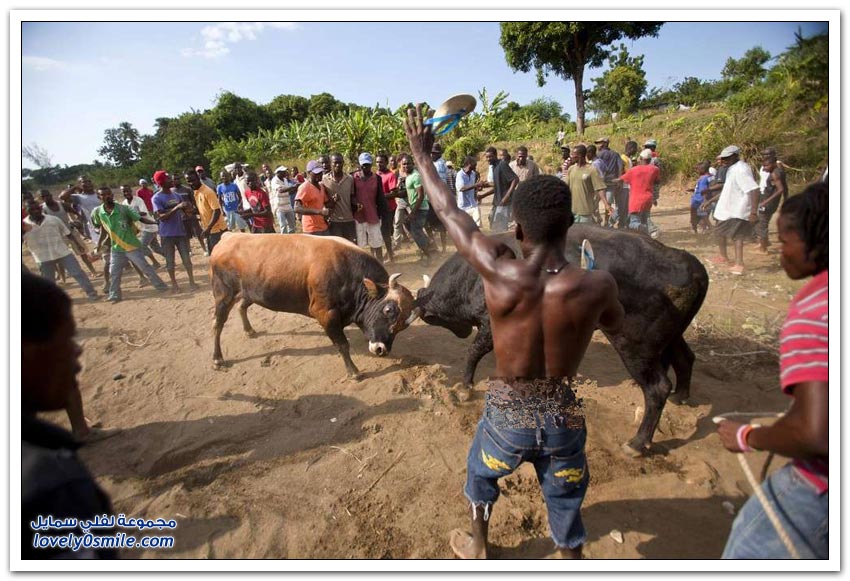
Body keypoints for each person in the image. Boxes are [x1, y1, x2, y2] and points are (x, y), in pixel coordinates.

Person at [404, 104, 624, 560]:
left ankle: (480, 545)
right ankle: (571, 555)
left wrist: (423, 158)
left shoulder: (499, 272)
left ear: (518, 228)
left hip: (509, 412)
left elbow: (450, 212)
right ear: (570, 225)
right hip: (562, 410)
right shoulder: (597, 285)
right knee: (565, 492)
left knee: (480, 474)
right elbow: (616, 323)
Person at [716, 182, 828, 559]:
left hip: (820, 488)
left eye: (784, 242)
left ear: (817, 241)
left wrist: (748, 435)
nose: (780, 253)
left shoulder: (813, 313)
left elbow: (816, 433)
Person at [22, 273, 117, 559]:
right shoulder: (52, 486)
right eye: (66, 339)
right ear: (26, 354)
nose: (77, 350)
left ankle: (81, 429)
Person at [92, 185, 169, 302]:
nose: (106, 196)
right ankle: (114, 295)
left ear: (112, 195)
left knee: (145, 268)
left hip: (132, 246)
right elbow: (103, 228)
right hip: (116, 248)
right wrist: (99, 244)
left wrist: (155, 222)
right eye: (103, 195)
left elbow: (140, 218)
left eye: (108, 194)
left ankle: (161, 286)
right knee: (114, 272)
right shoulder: (98, 212)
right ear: (99, 197)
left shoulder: (123, 209)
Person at [23, 199, 99, 301]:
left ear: (40, 208)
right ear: (26, 210)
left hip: (62, 252)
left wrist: (77, 244)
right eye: (32, 209)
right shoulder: (23, 225)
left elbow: (68, 233)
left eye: (37, 208)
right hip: (42, 257)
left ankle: (92, 293)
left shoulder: (53, 220)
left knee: (77, 273)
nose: (35, 211)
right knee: (48, 281)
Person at [705, 145, 760, 276]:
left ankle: (739, 264)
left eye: (726, 158)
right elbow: (728, 189)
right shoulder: (732, 169)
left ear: (735, 156)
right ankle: (724, 257)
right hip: (727, 208)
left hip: (738, 209)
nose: (723, 161)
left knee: (737, 236)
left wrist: (753, 212)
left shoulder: (741, 170)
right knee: (720, 232)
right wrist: (710, 200)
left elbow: (754, 189)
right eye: (723, 158)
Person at [151, 171, 197, 293]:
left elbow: (186, 212)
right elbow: (161, 217)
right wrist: (177, 207)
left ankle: (192, 281)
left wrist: (189, 209)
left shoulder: (176, 195)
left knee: (187, 260)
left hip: (180, 232)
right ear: (161, 182)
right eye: (167, 179)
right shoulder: (156, 198)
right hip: (167, 234)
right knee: (170, 262)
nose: (171, 181)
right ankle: (174, 284)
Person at [40, 190, 99, 277]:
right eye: (43, 197)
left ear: (51, 195)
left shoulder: (61, 205)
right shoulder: (43, 209)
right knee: (61, 257)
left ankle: (93, 272)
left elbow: (77, 213)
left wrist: (77, 222)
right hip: (58, 236)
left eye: (47, 195)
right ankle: (63, 279)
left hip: (71, 231)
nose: (46, 198)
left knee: (82, 253)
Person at [352, 153, 387, 262]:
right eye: (363, 165)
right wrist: (355, 204)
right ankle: (361, 265)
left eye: (367, 165)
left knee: (376, 241)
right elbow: (351, 195)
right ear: (360, 164)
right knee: (360, 244)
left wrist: (382, 214)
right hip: (358, 216)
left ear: (371, 164)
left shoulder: (377, 178)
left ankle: (380, 263)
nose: (365, 167)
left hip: (372, 214)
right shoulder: (353, 177)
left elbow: (380, 197)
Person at [562, 144, 609, 225]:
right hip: (572, 211)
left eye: (573, 154)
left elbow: (600, 188)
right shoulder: (571, 169)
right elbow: (565, 187)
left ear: (580, 156)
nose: (571, 156)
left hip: (585, 213)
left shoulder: (591, 170)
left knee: (585, 233)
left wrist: (606, 204)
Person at [476, 146, 519, 234]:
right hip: (497, 202)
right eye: (487, 157)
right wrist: (483, 195)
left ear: (495, 155)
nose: (488, 159)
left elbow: (515, 179)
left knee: (499, 227)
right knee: (492, 222)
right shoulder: (494, 167)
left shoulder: (502, 165)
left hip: (504, 203)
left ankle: (503, 241)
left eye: (490, 157)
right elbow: (497, 187)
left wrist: (506, 196)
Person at [618, 149, 660, 235]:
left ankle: (647, 228)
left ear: (640, 158)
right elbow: (657, 183)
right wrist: (655, 198)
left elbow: (621, 179)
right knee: (645, 219)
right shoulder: (655, 169)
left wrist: (610, 181)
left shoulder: (634, 170)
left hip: (635, 201)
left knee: (633, 223)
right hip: (648, 199)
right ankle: (649, 233)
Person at [185, 169, 228, 254]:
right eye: (189, 181)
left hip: (217, 230)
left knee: (220, 256)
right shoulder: (196, 192)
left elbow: (216, 211)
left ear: (198, 178)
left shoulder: (207, 192)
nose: (191, 183)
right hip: (209, 230)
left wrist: (208, 228)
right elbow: (204, 210)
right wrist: (189, 211)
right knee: (214, 256)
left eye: (193, 180)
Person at [120, 185, 163, 268]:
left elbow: (144, 213)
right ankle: (169, 258)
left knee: (142, 246)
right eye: (124, 192)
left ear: (131, 191)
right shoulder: (124, 203)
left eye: (128, 191)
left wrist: (131, 215)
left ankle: (156, 263)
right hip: (142, 228)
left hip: (149, 226)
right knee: (156, 248)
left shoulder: (138, 200)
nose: (126, 193)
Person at [401, 154, 431, 263]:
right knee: (409, 225)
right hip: (416, 208)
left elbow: (420, 195)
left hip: (420, 209)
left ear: (413, 164)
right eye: (404, 164)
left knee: (416, 231)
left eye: (408, 163)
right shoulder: (409, 176)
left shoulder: (416, 176)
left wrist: (413, 212)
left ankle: (428, 256)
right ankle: (427, 245)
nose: (406, 166)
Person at [756, 148, 788, 253]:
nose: (765, 168)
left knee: (762, 222)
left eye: (767, 154)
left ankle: (763, 248)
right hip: (765, 195)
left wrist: (765, 201)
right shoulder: (769, 167)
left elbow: (782, 187)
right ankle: (763, 243)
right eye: (763, 154)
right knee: (762, 221)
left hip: (768, 199)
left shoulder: (776, 170)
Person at [323, 153, 357, 243]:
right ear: (330, 163)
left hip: (349, 219)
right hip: (333, 221)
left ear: (343, 163)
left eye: (340, 162)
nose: (338, 165)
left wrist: (357, 205)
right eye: (335, 162)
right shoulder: (324, 179)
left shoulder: (350, 179)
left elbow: (352, 197)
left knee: (351, 246)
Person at [593, 137, 624, 228]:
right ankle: (606, 222)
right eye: (597, 143)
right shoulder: (615, 154)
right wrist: (619, 180)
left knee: (595, 203)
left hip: (600, 183)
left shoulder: (598, 155)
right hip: (611, 182)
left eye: (599, 143)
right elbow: (620, 167)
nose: (598, 145)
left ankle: (599, 219)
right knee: (608, 203)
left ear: (605, 143)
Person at [294, 160, 331, 236]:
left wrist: (334, 200)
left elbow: (326, 203)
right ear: (309, 173)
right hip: (311, 228)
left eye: (320, 173)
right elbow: (297, 208)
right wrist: (319, 212)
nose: (319, 175)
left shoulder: (321, 186)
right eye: (316, 173)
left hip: (323, 226)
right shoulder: (305, 187)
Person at [172, 173, 207, 255]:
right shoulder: (171, 192)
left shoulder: (187, 189)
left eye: (178, 179)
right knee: (186, 236)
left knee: (198, 233)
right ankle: (189, 251)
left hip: (191, 215)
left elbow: (194, 201)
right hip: (181, 217)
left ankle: (205, 249)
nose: (177, 180)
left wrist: (197, 211)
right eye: (175, 179)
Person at [59, 176, 101, 242]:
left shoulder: (100, 194)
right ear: (79, 185)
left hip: (107, 224)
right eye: (84, 182)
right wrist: (74, 187)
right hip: (93, 228)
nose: (88, 183)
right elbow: (62, 197)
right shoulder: (79, 197)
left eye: (89, 181)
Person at [375, 152, 400, 263]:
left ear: (386, 163)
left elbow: (394, 193)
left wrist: (380, 196)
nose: (379, 164)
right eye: (377, 162)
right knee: (378, 232)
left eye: (381, 162)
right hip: (377, 209)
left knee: (385, 232)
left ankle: (390, 254)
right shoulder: (375, 175)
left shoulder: (390, 175)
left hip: (388, 208)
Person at [269, 166, 299, 234]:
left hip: (288, 205)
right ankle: (283, 239)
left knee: (292, 224)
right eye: (283, 172)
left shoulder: (285, 180)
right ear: (278, 173)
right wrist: (293, 186)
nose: (285, 173)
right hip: (279, 207)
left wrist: (296, 188)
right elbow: (281, 190)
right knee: (283, 225)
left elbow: (288, 192)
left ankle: (291, 237)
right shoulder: (274, 180)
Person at [456, 155, 482, 227]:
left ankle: (477, 232)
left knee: (477, 223)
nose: (475, 167)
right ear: (469, 164)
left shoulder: (473, 174)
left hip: (472, 204)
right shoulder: (460, 175)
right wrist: (475, 185)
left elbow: (473, 187)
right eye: (474, 165)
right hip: (463, 207)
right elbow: (462, 188)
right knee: (464, 227)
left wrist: (478, 188)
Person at [690, 161, 713, 234]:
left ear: (702, 170)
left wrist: (704, 200)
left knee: (697, 216)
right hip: (706, 199)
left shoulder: (703, 178)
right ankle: (705, 229)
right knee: (703, 216)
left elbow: (703, 190)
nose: (697, 171)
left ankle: (696, 229)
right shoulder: (710, 176)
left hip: (698, 200)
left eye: (697, 169)